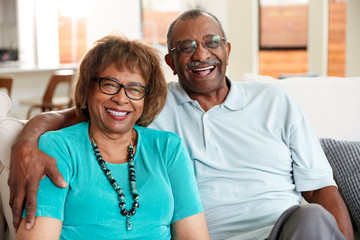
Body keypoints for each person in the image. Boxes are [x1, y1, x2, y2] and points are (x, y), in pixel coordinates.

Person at [9, 9, 353, 240]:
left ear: (228, 50)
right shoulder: (152, 105)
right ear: (172, 62)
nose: (201, 55)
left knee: (312, 219)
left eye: (211, 42)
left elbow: (322, 188)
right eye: (186, 47)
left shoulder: (274, 101)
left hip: (282, 229)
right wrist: (26, 142)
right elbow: (77, 116)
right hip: (217, 234)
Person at [14, 34, 209, 240]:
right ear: (87, 88)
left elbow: (194, 236)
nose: (121, 98)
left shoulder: (168, 147)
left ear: (146, 99)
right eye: (109, 84)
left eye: (134, 89)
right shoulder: (58, 147)